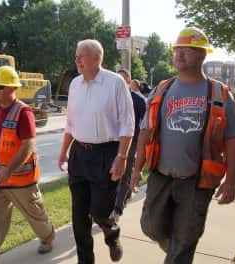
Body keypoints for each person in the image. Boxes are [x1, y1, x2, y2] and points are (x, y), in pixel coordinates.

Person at [130, 27, 235, 264]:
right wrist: (136, 168)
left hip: (198, 181)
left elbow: (234, 139)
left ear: (203, 55)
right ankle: (175, 251)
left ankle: (177, 254)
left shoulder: (219, 93)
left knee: (185, 240)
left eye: (188, 50)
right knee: (151, 227)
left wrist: (231, 182)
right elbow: (145, 130)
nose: (180, 55)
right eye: (177, 50)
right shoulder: (162, 88)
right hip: (161, 176)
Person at [58, 39, 134, 263]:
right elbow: (70, 122)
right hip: (79, 155)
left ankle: (111, 232)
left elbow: (127, 125)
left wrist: (122, 157)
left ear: (97, 58)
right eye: (76, 56)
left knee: (100, 210)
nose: (77, 60)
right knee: (79, 215)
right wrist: (64, 151)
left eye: (82, 55)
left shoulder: (115, 83)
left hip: (106, 154)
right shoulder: (74, 85)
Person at [0, 66, 55, 264]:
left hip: (20, 179)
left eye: (1, 87)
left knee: (34, 213)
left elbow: (28, 144)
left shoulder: (24, 113)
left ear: (13, 89)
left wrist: (8, 170)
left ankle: (47, 237)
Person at [116, 69, 147, 216]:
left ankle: (118, 206)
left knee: (125, 171)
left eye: (123, 79)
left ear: (129, 81)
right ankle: (122, 194)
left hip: (131, 141)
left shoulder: (139, 100)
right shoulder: (110, 97)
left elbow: (144, 123)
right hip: (112, 141)